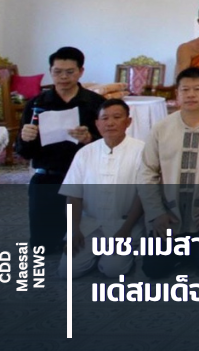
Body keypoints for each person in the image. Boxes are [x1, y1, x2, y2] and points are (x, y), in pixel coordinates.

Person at [139, 67, 199, 278]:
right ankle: (181, 250)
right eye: (185, 89)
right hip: (169, 216)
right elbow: (147, 172)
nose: (191, 94)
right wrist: (156, 213)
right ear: (177, 94)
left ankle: (190, 251)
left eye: (197, 89)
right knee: (153, 271)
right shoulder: (161, 128)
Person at [16, 47, 104, 253]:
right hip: (48, 177)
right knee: (42, 248)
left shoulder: (95, 104)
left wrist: (90, 139)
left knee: (84, 246)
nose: (63, 77)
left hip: (84, 177)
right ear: (50, 71)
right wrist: (24, 138)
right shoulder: (37, 104)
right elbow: (23, 152)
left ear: (81, 71)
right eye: (57, 71)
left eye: (70, 72)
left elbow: (111, 145)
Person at [58, 99, 144, 278]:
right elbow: (73, 196)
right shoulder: (85, 153)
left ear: (128, 122)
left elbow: (143, 195)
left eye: (117, 117)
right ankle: (96, 254)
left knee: (114, 270)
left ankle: (124, 255)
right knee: (67, 271)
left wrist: (126, 230)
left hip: (124, 224)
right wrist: (73, 230)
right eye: (104, 118)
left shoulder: (142, 151)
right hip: (90, 225)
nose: (110, 123)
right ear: (97, 124)